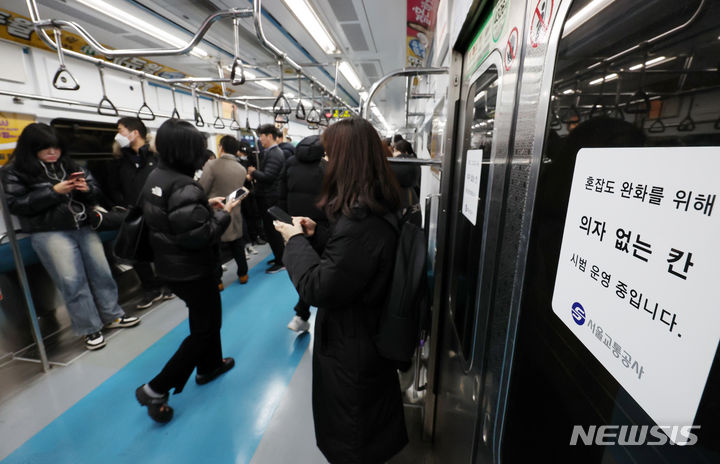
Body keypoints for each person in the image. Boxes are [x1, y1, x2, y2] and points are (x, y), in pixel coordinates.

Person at [274, 118, 408, 463]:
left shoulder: (361, 222)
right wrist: (317, 234)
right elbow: (350, 261)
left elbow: (319, 287)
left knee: (352, 435)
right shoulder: (377, 205)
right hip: (367, 332)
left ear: (346, 161)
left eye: (330, 157)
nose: (326, 164)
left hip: (353, 345)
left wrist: (294, 243)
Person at [135, 119, 241, 423]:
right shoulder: (184, 185)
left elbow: (172, 217)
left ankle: (209, 367)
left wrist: (203, 205)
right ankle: (155, 388)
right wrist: (222, 215)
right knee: (205, 328)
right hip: (193, 269)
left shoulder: (156, 176)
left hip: (169, 266)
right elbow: (198, 236)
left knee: (203, 318)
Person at [3, 123, 139, 351]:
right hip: (49, 232)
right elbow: (16, 204)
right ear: (31, 148)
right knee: (71, 281)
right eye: (46, 148)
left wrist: (87, 190)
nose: (52, 152)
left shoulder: (69, 165)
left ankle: (112, 315)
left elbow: (95, 189)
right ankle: (89, 328)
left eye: (56, 148)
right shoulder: (14, 171)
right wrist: (53, 192)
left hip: (83, 225)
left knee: (102, 272)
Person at [109, 117, 173, 309]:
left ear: (134, 133)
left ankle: (168, 283)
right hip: (134, 212)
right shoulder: (120, 162)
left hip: (157, 209)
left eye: (120, 130)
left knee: (162, 248)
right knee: (137, 254)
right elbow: (113, 189)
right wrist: (123, 206)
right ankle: (151, 288)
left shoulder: (156, 158)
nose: (118, 135)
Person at [278, 135, 327, 332]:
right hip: (319, 224)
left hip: (295, 223)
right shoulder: (325, 168)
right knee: (321, 269)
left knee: (302, 265)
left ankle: (301, 314)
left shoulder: (289, 163)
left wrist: (284, 218)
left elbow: (280, 193)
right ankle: (304, 313)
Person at [198, 135, 249, 284]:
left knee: (215, 249)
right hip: (235, 210)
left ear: (220, 147)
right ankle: (243, 274)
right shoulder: (241, 168)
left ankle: (218, 281)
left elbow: (202, 189)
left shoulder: (211, 165)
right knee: (238, 246)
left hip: (216, 212)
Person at [248, 124, 286, 274]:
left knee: (273, 230)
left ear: (269, 136)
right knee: (270, 231)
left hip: (270, 197)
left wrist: (253, 172)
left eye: (261, 136)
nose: (260, 140)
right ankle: (278, 257)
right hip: (268, 196)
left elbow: (269, 177)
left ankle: (281, 260)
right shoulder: (270, 152)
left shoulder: (275, 154)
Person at [391, 139, 421, 213]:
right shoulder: (415, 163)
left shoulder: (404, 167)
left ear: (405, 153)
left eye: (395, 151)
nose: (393, 154)